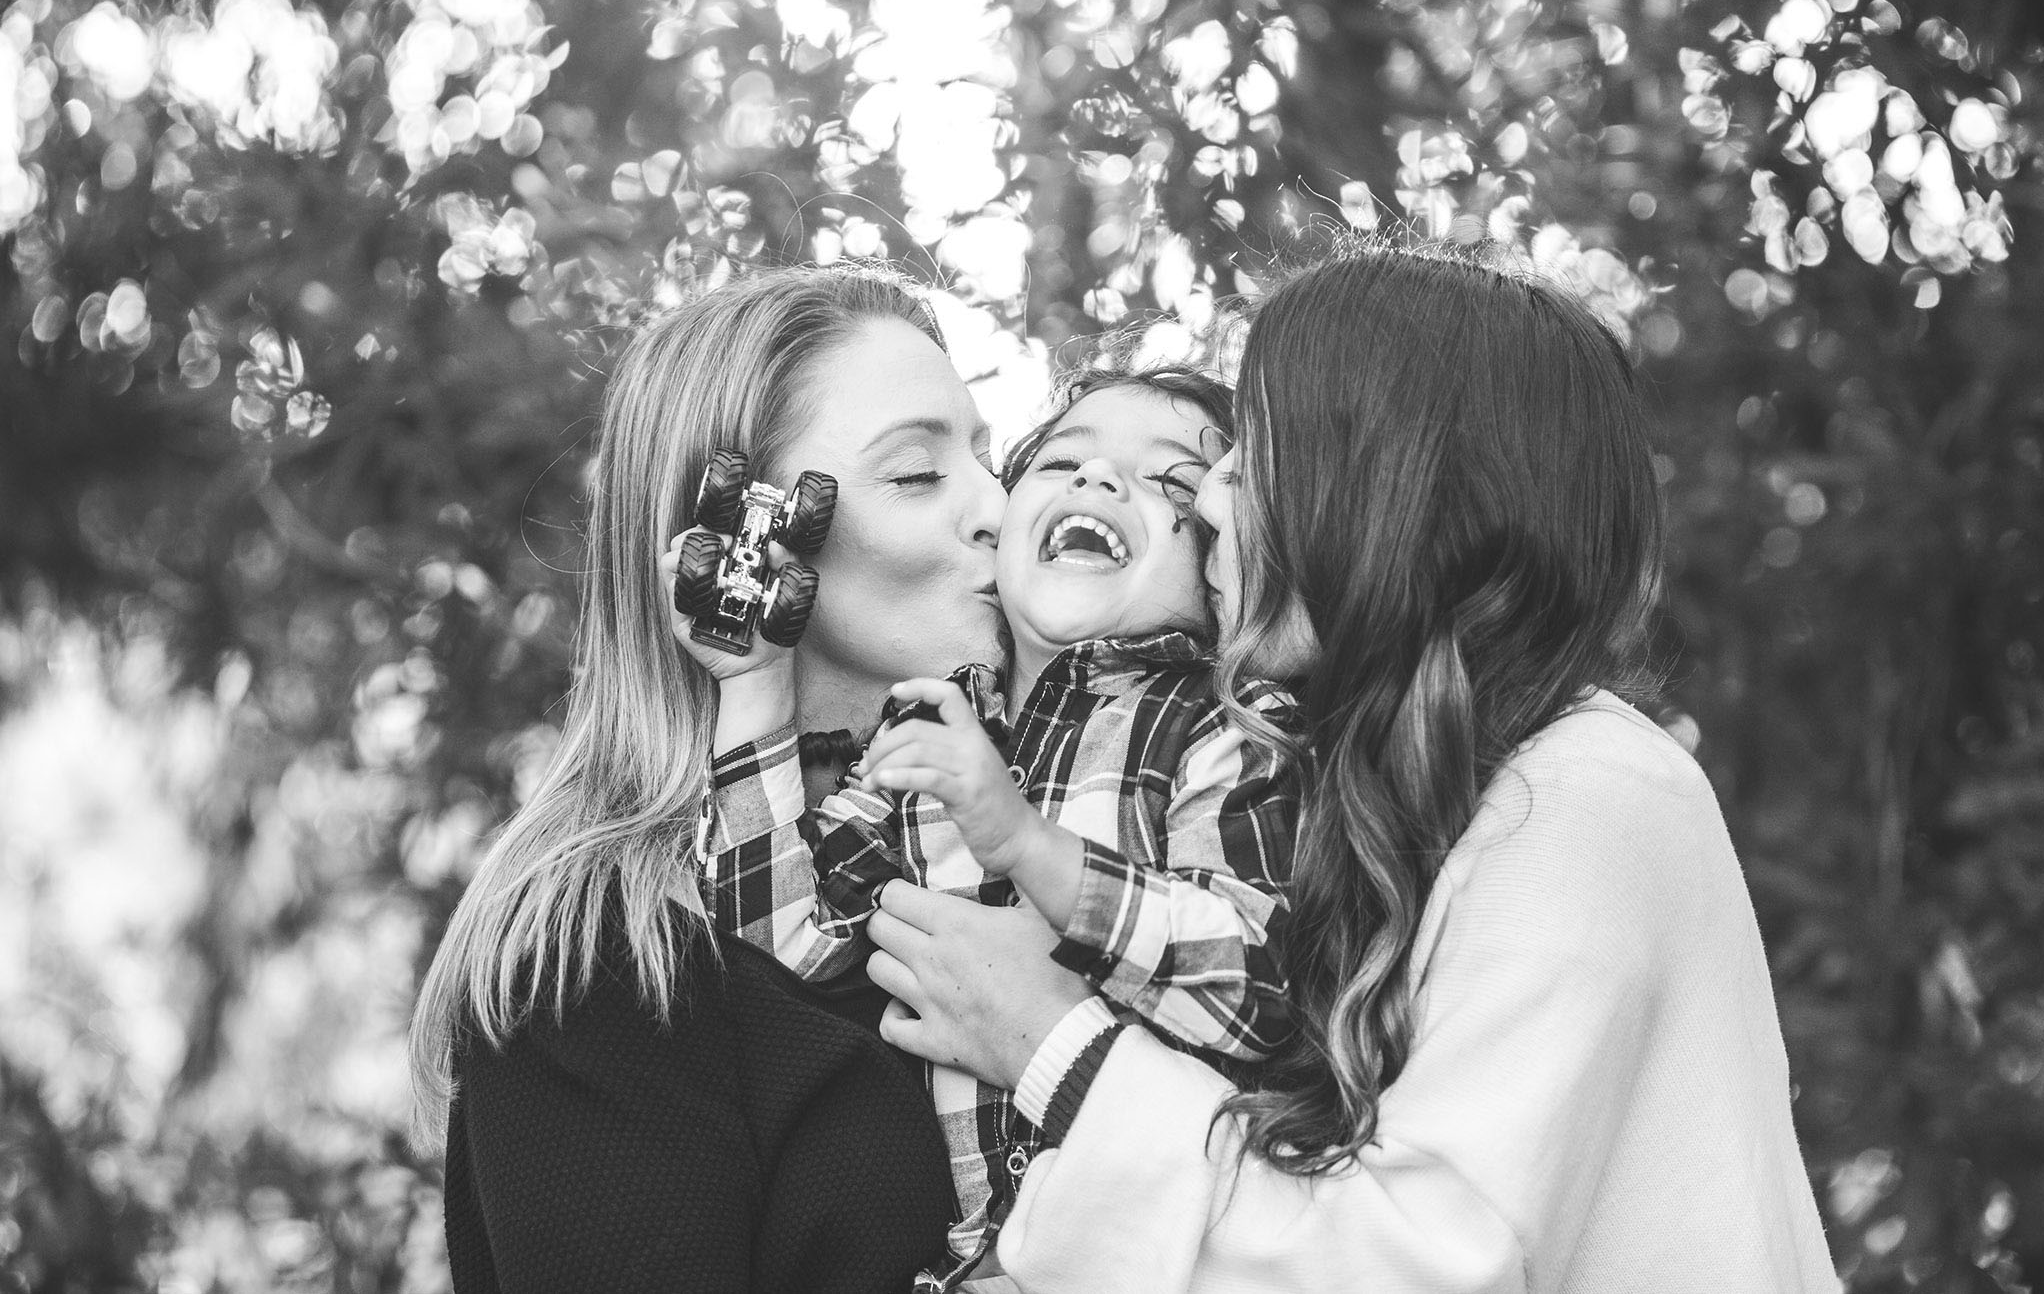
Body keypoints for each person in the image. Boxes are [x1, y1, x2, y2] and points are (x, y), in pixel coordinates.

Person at [863, 246, 1844, 1293]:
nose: (1211, 503)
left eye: (1250, 459)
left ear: (1378, 488)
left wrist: (1052, 1040)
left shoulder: (1588, 795)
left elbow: (1415, 1263)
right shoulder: (1378, 794)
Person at [408, 267, 1004, 1293]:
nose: (999, 510)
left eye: (995, 460)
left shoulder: (1034, 842)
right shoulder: (604, 954)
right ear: (741, 538)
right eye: (915, 477)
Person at [696, 367, 1298, 1289]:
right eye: (1061, 461)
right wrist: (751, 686)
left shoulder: (1225, 722)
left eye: (1170, 481)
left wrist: (1026, 845)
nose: (1099, 482)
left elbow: (1253, 986)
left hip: (1168, 1248)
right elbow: (785, 957)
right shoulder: (927, 729)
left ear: (1220, 564)